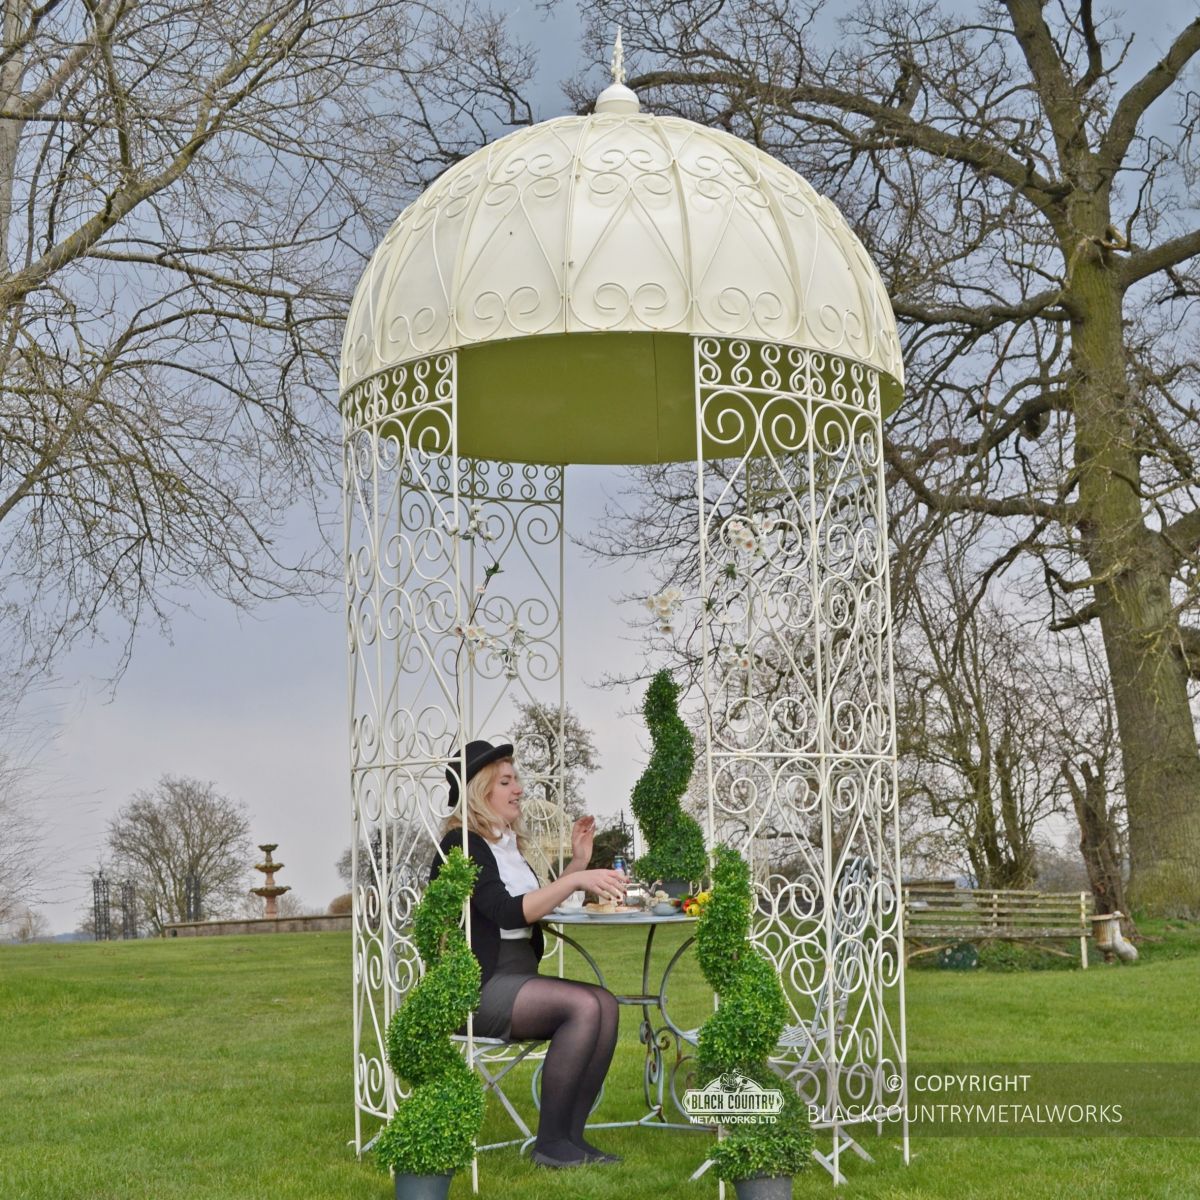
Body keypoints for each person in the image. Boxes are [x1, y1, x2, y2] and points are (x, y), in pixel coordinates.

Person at [430, 739, 628, 1168]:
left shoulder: (506, 845)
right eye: (506, 781)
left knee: (606, 1005)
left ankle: (570, 1140)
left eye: (515, 778)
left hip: (517, 975)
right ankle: (551, 1144)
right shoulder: (462, 845)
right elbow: (504, 912)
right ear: (480, 791)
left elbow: (536, 902)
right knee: (583, 1008)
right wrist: (576, 882)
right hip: (478, 985)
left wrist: (577, 864)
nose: (518, 788)